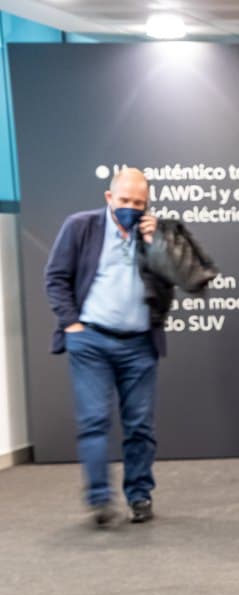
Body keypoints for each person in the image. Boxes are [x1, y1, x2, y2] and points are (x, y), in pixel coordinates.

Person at [44, 167, 172, 527]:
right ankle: (100, 499)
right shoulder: (80, 226)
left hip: (140, 344)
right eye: (125, 200)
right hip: (91, 341)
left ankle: (140, 495)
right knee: (93, 421)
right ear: (109, 197)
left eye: (139, 202)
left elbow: (172, 286)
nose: (132, 207)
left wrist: (156, 246)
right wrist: (72, 323)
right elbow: (56, 277)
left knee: (140, 426)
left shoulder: (154, 234)